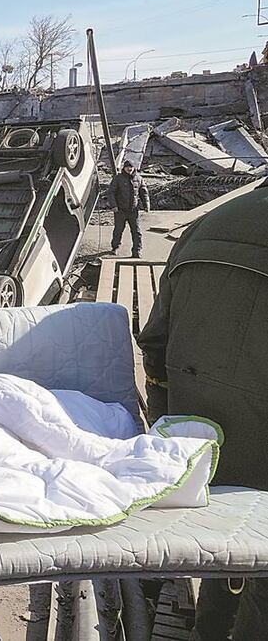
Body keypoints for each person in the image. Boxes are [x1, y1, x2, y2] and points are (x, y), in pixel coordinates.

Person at [137, 186, 268, 640]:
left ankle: (210, 628)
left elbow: (154, 345)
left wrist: (167, 435)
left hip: (203, 450)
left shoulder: (204, 227)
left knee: (223, 558)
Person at [107, 159, 150, 257]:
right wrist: (113, 206)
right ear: (124, 168)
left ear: (134, 168)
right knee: (118, 230)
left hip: (133, 210)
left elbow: (144, 192)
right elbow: (111, 193)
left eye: (131, 167)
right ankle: (115, 247)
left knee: (137, 232)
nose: (129, 169)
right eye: (127, 167)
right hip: (120, 211)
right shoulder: (118, 178)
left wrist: (146, 205)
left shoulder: (139, 178)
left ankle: (137, 251)